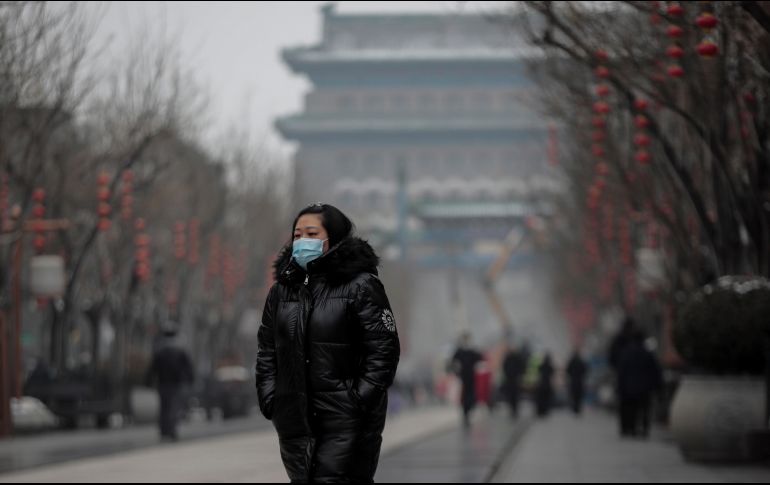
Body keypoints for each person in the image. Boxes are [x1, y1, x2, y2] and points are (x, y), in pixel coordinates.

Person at [255, 203, 400, 483]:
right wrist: (272, 398)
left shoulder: (361, 286)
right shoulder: (281, 292)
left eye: (311, 233)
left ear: (332, 237)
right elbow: (267, 351)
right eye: (297, 235)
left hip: (346, 421)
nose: (301, 241)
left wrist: (357, 400)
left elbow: (384, 350)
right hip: (295, 422)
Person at [145, 324, 194, 442]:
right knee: (173, 408)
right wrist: (190, 379)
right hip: (176, 384)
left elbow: (153, 368)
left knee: (164, 407)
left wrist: (148, 381)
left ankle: (164, 431)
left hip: (163, 383)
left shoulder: (160, 350)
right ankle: (171, 430)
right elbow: (188, 368)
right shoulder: (180, 350)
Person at [617, 331, 663, 438]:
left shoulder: (626, 353)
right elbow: (655, 371)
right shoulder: (647, 354)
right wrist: (658, 388)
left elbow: (621, 372)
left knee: (631, 409)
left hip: (629, 388)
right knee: (644, 409)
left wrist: (620, 387)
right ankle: (644, 429)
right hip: (644, 388)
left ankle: (631, 429)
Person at [449, 332, 484, 428]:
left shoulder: (472, 351)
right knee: (464, 396)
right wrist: (456, 373)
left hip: (471, 377)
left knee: (471, 395)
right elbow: (452, 363)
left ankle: (469, 410)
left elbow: (481, 359)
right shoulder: (459, 351)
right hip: (463, 377)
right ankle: (465, 414)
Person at [500, 343, 526, 419]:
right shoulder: (508, 358)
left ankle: (515, 409)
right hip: (509, 380)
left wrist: (519, 376)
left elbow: (522, 368)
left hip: (516, 380)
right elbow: (504, 367)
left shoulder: (518, 358)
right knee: (510, 395)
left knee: (516, 396)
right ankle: (512, 409)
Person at [566, 348, 588, 415]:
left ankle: (575, 409)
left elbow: (568, 370)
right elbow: (585, 370)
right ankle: (577, 409)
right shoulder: (581, 361)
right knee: (578, 396)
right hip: (579, 381)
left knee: (574, 396)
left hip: (573, 381)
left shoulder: (571, 362)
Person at [535, 352, 555, 417]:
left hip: (541, 384)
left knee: (541, 399)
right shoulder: (550, 367)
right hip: (547, 385)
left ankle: (540, 411)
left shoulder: (541, 366)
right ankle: (545, 411)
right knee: (546, 399)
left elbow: (538, 374)